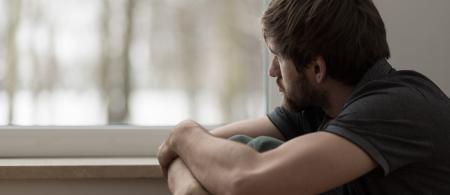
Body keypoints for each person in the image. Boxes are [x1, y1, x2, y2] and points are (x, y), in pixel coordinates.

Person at [158, 0, 450, 194]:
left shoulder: (398, 106)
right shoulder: (321, 107)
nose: (273, 71)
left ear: (317, 68)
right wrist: (193, 180)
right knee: (245, 148)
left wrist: (183, 132)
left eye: (278, 58)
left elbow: (241, 179)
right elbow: (198, 150)